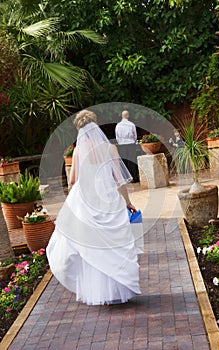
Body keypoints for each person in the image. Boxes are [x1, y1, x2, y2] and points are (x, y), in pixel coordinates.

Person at [47, 109, 141, 305]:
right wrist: (128, 203)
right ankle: (118, 291)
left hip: (88, 201)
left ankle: (100, 293)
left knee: (93, 248)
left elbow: (73, 179)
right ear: (95, 126)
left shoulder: (78, 151)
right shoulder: (110, 149)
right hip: (109, 200)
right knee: (114, 246)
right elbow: (120, 181)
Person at [115, 110, 139, 182]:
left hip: (122, 144)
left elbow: (117, 136)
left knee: (124, 161)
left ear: (122, 116)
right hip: (131, 143)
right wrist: (133, 141)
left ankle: (126, 178)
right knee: (132, 160)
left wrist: (120, 142)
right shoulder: (131, 124)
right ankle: (135, 177)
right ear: (128, 115)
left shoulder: (118, 125)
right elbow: (135, 135)